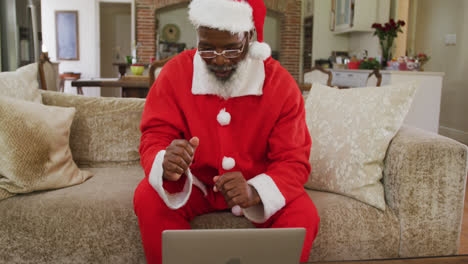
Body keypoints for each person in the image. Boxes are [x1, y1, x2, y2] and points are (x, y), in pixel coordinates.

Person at [133, 0, 320, 263]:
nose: (219, 60)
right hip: (197, 183)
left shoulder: (281, 84)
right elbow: (155, 134)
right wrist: (165, 161)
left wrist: (255, 192)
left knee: (304, 215)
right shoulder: (175, 73)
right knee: (147, 197)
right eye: (207, 48)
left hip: (257, 180)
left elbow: (293, 161)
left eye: (232, 49)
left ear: (250, 37)